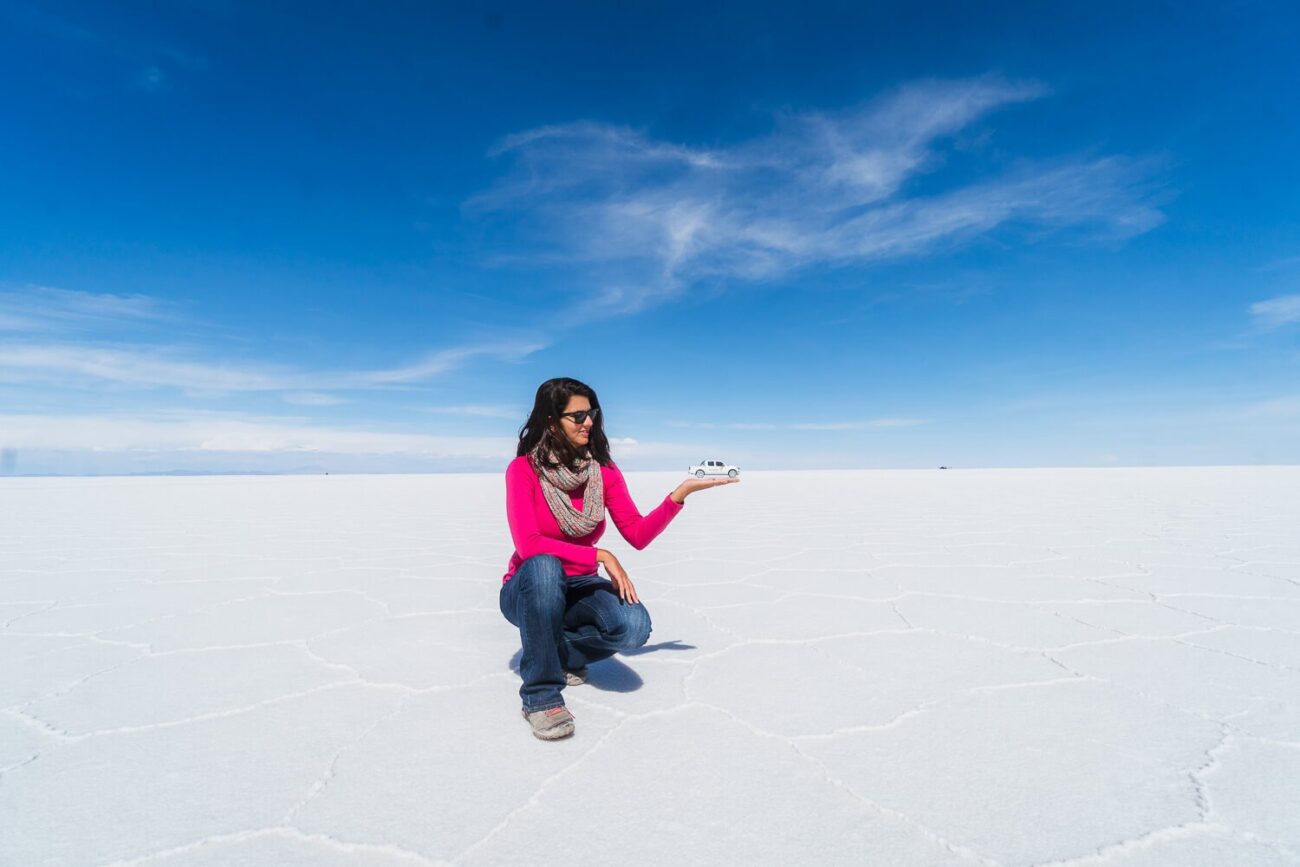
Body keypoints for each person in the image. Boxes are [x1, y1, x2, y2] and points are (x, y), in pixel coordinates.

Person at [500, 377, 736, 740]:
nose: (588, 422)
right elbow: (530, 544)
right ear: (551, 422)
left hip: (577, 587)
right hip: (528, 588)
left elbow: (637, 534)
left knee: (633, 626)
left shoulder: (603, 472)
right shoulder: (523, 470)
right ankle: (541, 695)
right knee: (546, 566)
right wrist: (600, 554)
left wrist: (680, 494)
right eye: (577, 416)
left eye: (591, 413)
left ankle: (555, 649)